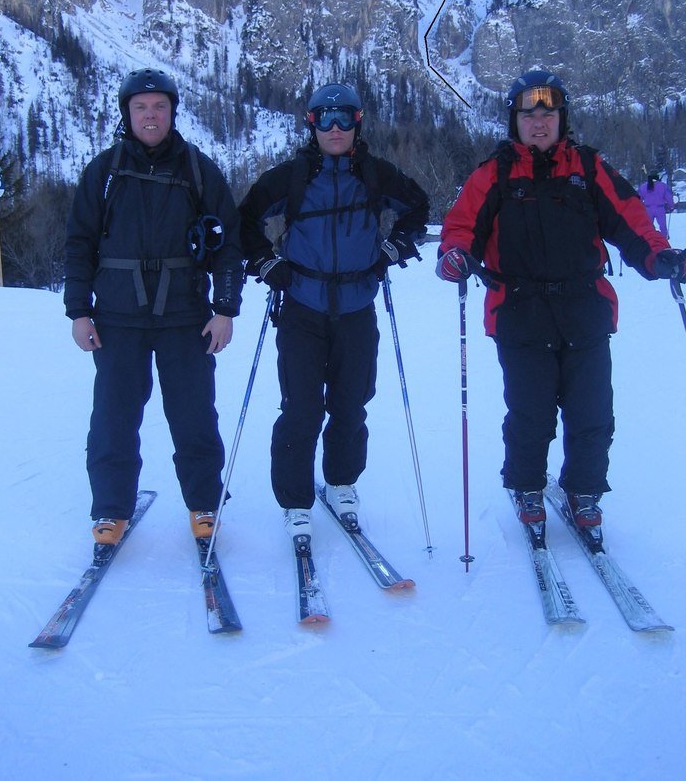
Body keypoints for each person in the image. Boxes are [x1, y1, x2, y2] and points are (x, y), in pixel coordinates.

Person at [436, 69, 686, 530]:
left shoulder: (589, 169)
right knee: (530, 412)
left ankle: (584, 490)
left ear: (561, 119)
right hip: (519, 312)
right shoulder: (495, 174)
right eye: (528, 113)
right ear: (515, 121)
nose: (538, 122)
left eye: (547, 113)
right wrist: (454, 256)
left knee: (592, 411)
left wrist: (659, 257)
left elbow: (632, 223)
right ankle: (528, 486)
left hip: (584, 310)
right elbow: (460, 227)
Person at [238, 82, 429, 542]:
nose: (336, 128)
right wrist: (267, 264)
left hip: (358, 306)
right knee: (301, 409)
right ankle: (295, 502)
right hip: (303, 306)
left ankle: (342, 482)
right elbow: (245, 221)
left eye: (345, 118)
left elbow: (418, 209)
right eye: (325, 118)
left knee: (350, 403)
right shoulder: (292, 177)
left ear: (358, 123)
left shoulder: (376, 175)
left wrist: (394, 248)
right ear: (311, 124)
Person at [64, 67, 244, 550]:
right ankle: (110, 509)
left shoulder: (198, 169)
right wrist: (79, 310)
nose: (150, 115)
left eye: (159, 106)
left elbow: (229, 244)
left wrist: (225, 308)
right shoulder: (103, 172)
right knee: (113, 417)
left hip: (185, 315)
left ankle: (204, 503)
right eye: (141, 107)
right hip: (117, 317)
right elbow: (79, 243)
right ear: (127, 113)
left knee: (194, 415)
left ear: (172, 112)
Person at [638, 171, 675, 237]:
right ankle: (665, 238)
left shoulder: (643, 186)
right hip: (660, 209)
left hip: (648, 209)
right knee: (663, 226)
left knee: (648, 226)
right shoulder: (663, 186)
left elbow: (639, 198)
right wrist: (671, 206)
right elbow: (669, 197)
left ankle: (650, 238)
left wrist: (639, 207)